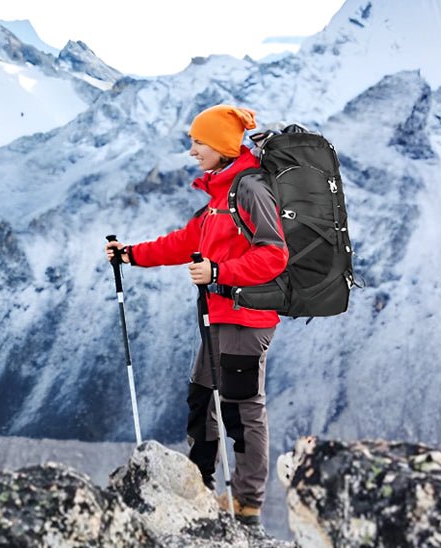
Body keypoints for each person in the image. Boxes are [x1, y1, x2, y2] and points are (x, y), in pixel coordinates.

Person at [105, 104, 288, 524]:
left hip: (247, 316)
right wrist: (130, 254)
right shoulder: (219, 196)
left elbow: (275, 254)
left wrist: (220, 271)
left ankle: (246, 504)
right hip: (216, 316)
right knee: (201, 398)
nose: (192, 151)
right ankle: (201, 489)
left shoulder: (250, 188)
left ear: (222, 144)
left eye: (198, 142)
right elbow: (183, 241)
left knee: (241, 410)